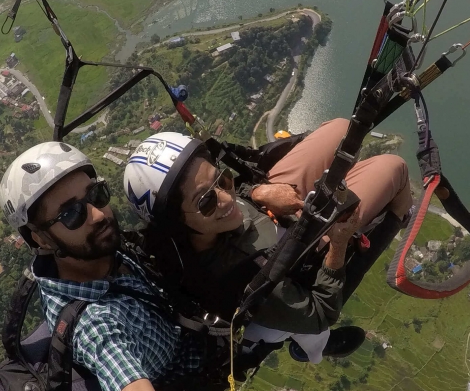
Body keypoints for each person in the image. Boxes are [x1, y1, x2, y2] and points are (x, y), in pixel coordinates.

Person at [123, 118, 413, 363]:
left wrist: (257, 191)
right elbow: (319, 312)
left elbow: (230, 192)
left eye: (222, 180)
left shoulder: (204, 224)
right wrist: (338, 245)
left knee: (344, 130)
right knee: (395, 168)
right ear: (178, 225)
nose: (227, 199)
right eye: (206, 201)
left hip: (270, 213)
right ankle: (398, 215)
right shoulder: (236, 277)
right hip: (301, 261)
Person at [0, 141, 200, 391]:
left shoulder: (95, 252)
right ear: (41, 239)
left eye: (96, 195)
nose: (97, 214)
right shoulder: (93, 324)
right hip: (191, 364)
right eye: (71, 214)